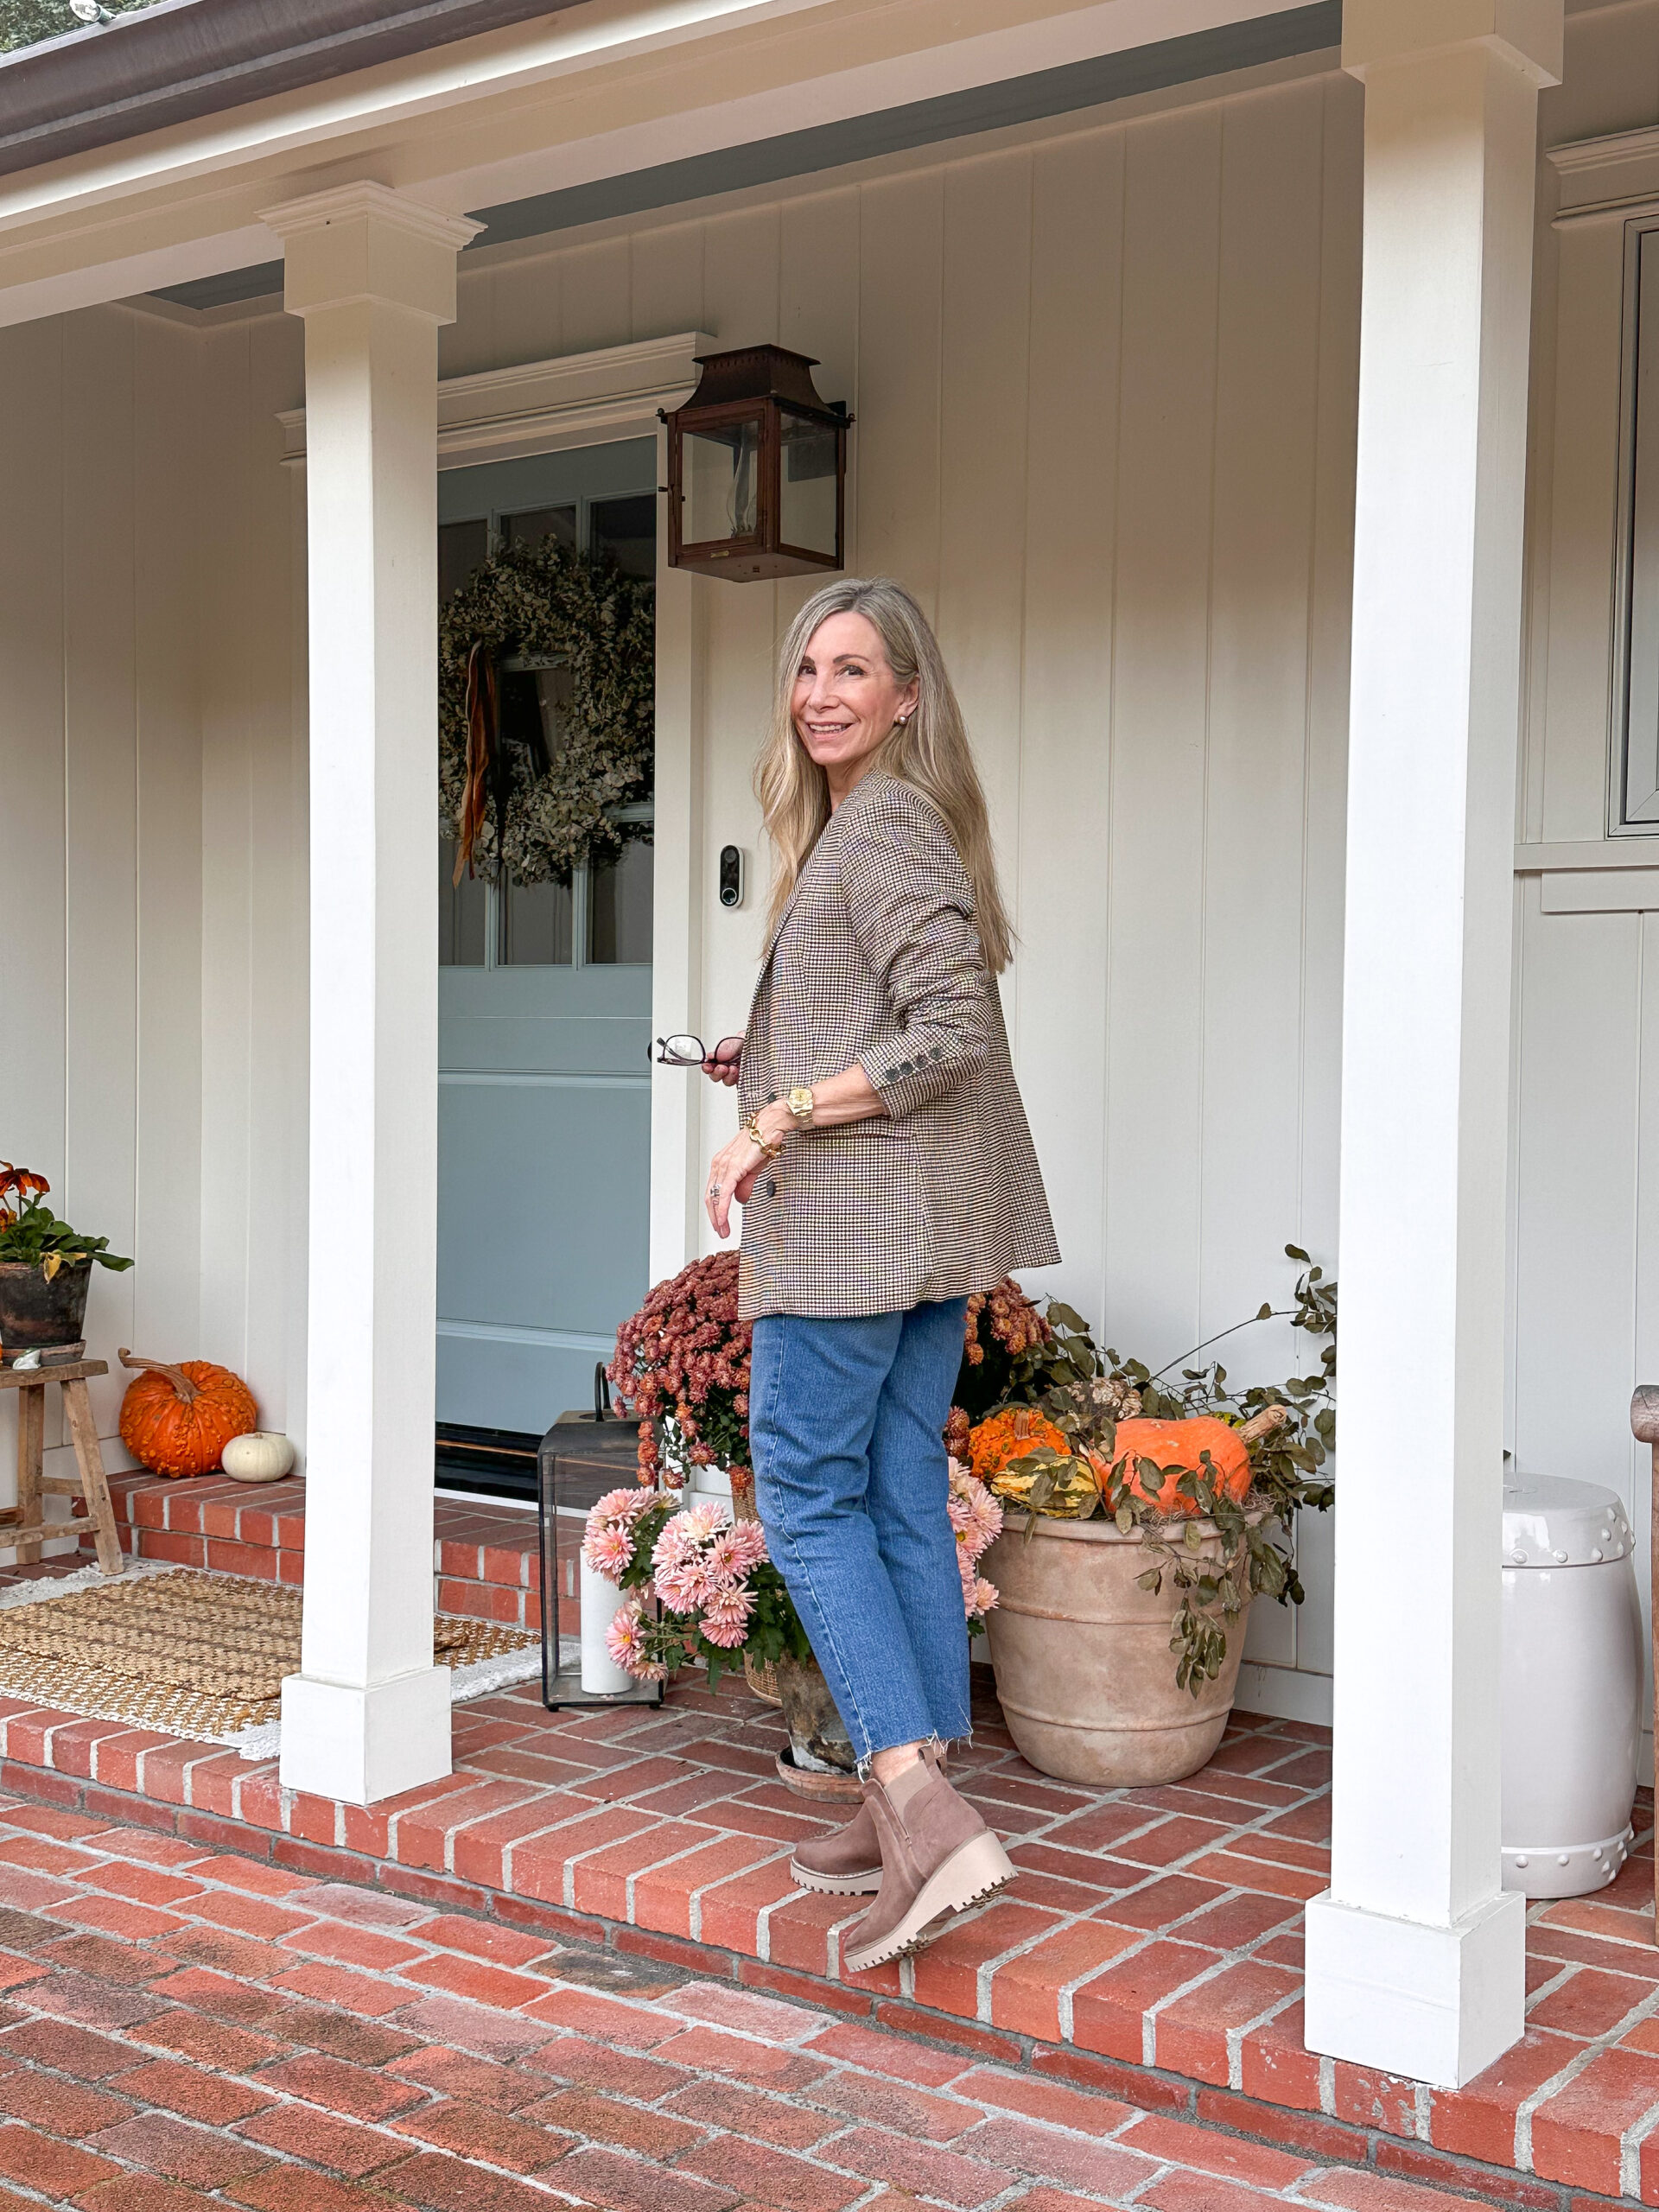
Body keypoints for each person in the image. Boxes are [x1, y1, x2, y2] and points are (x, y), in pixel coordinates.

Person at [701, 576, 1058, 1973]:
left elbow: (950, 1026)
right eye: (807, 669)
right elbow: (891, 1019)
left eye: (854, 670)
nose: (823, 693)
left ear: (908, 695)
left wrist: (773, 1122)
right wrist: (771, 1058)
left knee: (806, 1495)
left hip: (852, 1235)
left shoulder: (890, 822)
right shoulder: (868, 828)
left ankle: (922, 1806)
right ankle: (896, 1792)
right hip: (915, 1232)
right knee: (900, 1486)